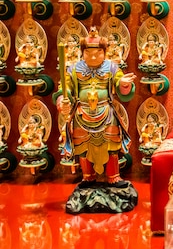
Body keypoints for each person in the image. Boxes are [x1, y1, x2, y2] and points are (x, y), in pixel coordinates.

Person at [55, 28, 136, 184]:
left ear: (104, 52)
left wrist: (124, 85)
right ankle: (88, 177)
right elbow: (64, 88)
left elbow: (120, 84)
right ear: (82, 52)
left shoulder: (112, 68)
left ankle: (113, 176)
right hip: (82, 113)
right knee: (83, 146)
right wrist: (62, 101)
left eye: (98, 52)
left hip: (106, 112)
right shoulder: (73, 70)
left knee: (112, 145)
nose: (93, 56)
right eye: (88, 52)